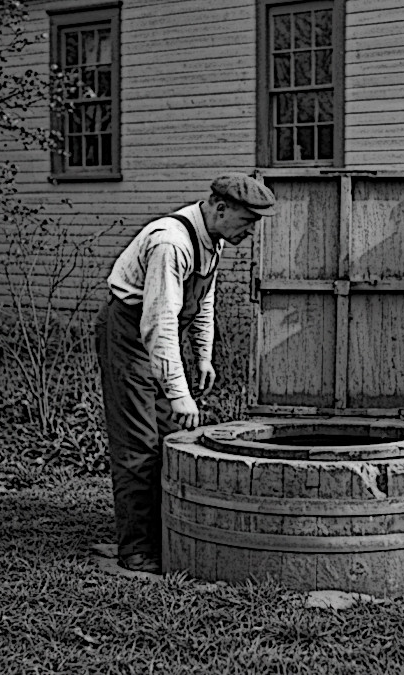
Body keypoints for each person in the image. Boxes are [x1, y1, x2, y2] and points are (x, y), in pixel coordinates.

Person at [94, 173, 276, 573]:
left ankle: (165, 535)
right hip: (129, 337)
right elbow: (157, 323)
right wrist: (180, 394)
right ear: (220, 208)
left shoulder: (213, 241)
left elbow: (203, 303)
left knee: (170, 438)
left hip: (161, 341)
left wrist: (204, 357)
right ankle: (137, 551)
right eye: (247, 221)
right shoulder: (170, 242)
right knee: (139, 444)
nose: (250, 231)